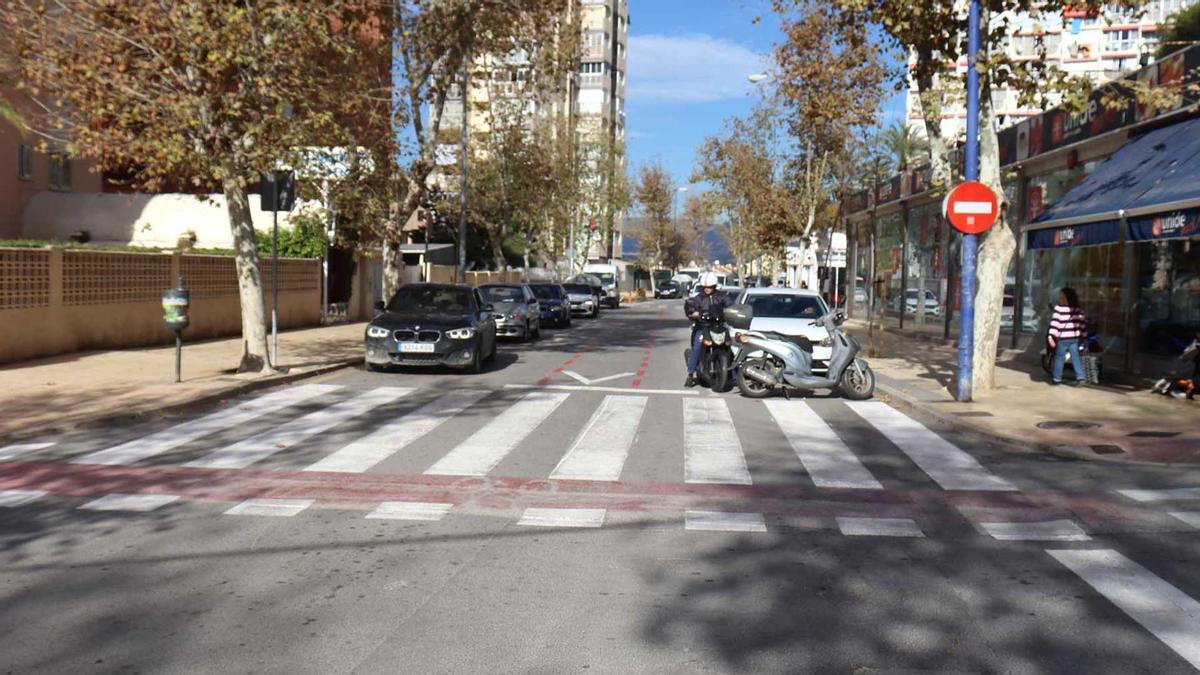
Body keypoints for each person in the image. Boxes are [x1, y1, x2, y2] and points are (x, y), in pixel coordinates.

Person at [683, 271, 734, 387]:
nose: (707, 289)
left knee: (729, 347)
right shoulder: (698, 298)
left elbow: (731, 306)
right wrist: (693, 313)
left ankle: (733, 374)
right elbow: (691, 308)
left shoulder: (722, 296)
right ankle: (691, 374)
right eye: (705, 287)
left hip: (719, 327)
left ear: (714, 286)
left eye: (710, 287)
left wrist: (732, 312)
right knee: (697, 346)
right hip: (703, 327)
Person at [1048, 286, 1087, 385]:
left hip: (1062, 339)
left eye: (1061, 297)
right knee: (1075, 357)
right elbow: (1082, 324)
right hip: (1074, 338)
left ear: (1066, 298)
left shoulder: (1059, 309)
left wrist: (1050, 337)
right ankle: (1080, 377)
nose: (1059, 298)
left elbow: (1054, 324)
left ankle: (1057, 379)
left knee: (1060, 358)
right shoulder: (1078, 310)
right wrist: (1084, 335)